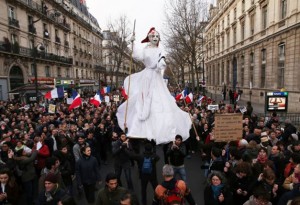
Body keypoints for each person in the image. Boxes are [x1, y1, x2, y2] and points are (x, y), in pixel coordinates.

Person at [116, 27, 191, 144]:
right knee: (143, 98)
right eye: (152, 36)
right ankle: (139, 127)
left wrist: (162, 63)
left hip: (156, 77)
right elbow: (137, 55)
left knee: (159, 101)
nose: (155, 38)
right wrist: (132, 42)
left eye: (157, 36)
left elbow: (162, 61)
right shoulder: (145, 50)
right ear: (149, 38)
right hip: (146, 77)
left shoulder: (161, 50)